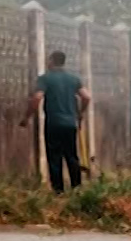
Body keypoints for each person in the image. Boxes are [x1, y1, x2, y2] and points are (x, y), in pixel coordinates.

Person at [23, 51, 91, 193]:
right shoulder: (73, 79)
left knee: (54, 157)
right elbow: (86, 97)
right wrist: (80, 113)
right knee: (72, 156)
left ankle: (58, 191)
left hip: (53, 123)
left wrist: (26, 117)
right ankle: (76, 188)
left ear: (52, 61)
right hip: (71, 123)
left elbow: (37, 98)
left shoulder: (45, 79)